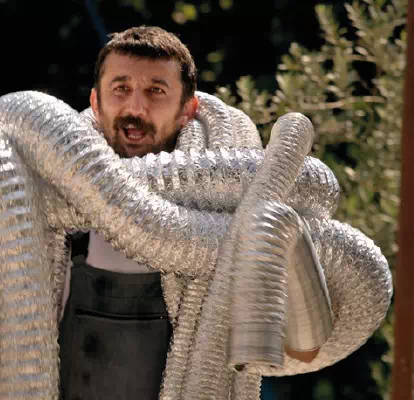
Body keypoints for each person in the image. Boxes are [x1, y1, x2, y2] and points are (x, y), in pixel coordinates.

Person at [57, 25, 317, 400]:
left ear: (187, 111)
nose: (135, 108)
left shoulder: (236, 215)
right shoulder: (61, 212)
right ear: (96, 103)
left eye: (156, 91)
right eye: (121, 89)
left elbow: (302, 350)